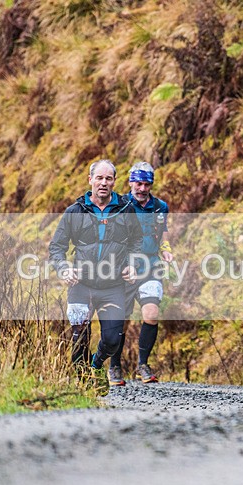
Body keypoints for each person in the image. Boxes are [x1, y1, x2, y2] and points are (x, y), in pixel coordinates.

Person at [48, 159, 143, 374]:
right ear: (90, 180)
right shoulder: (75, 211)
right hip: (81, 284)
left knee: (112, 340)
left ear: (114, 182)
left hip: (113, 286)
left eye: (108, 179)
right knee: (79, 335)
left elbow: (137, 240)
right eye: (99, 178)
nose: (103, 183)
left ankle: (96, 364)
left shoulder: (126, 210)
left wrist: (133, 263)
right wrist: (64, 268)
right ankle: (81, 381)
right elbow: (56, 247)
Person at [108, 161, 173, 386]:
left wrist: (166, 250)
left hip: (150, 268)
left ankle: (143, 365)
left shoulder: (160, 207)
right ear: (130, 182)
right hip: (124, 271)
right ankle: (114, 366)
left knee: (151, 314)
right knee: (121, 321)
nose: (142, 188)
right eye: (138, 183)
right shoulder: (119, 205)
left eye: (146, 184)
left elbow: (162, 233)